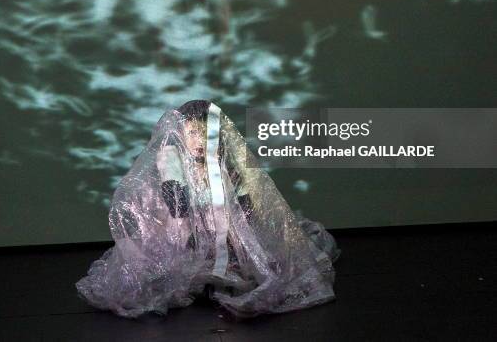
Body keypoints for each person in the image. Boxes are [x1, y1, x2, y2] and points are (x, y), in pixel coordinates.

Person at [75, 100, 340, 319]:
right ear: (181, 134)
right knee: (175, 271)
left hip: (225, 230)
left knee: (255, 269)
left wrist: (241, 238)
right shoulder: (172, 158)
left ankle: (223, 269)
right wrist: (173, 172)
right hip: (184, 230)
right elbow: (178, 209)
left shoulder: (225, 161)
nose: (199, 141)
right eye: (192, 133)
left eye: (205, 134)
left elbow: (244, 206)